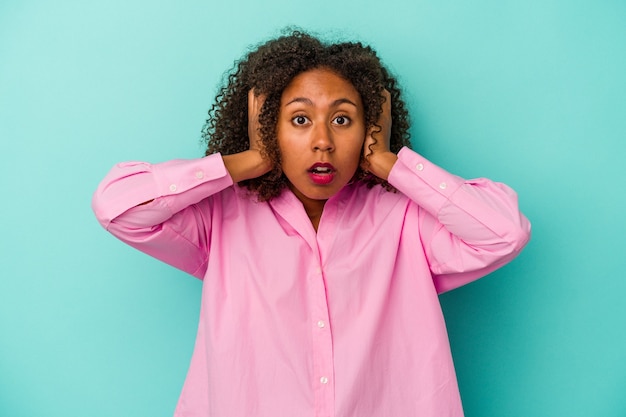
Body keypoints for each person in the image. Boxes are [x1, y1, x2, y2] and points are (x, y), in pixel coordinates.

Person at [92, 30, 531, 417]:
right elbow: (117, 207)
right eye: (299, 120)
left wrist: (388, 163)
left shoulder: (406, 218)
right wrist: (252, 159)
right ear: (269, 127)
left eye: (343, 120)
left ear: (369, 129)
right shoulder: (219, 215)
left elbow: (504, 232)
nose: (323, 141)